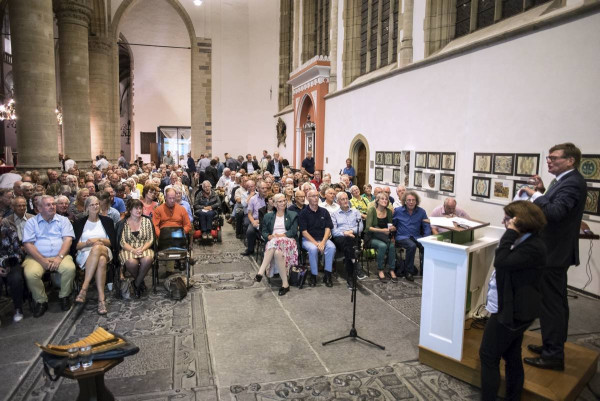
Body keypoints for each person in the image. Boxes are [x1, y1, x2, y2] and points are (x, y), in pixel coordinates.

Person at [518, 143, 586, 371]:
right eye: (548, 158)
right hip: (554, 252)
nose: (549, 161)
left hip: (554, 254)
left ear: (570, 160)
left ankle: (553, 355)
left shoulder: (573, 183)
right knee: (554, 303)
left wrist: (536, 194)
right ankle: (552, 344)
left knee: (552, 305)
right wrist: (543, 189)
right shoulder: (565, 181)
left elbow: (556, 213)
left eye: (554, 158)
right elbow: (556, 204)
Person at [479, 201, 547, 401]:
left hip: (513, 312)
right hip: (515, 308)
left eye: (508, 220)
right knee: (511, 354)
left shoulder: (533, 246)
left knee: (488, 356)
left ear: (521, 222)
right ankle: (513, 396)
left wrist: (509, 232)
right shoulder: (527, 241)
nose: (504, 222)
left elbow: (501, 262)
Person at [22, 195, 76, 317]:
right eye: (48, 205)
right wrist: (42, 261)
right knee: (31, 274)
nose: (52, 206)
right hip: (36, 258)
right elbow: (28, 244)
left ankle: (64, 296)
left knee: (70, 269)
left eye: (53, 204)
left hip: (60, 255)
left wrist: (59, 257)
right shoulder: (31, 222)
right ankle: (41, 300)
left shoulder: (63, 220)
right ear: (39, 209)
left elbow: (68, 240)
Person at [71, 196, 117, 315]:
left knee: (98, 249)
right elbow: (75, 246)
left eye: (97, 204)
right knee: (101, 261)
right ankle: (101, 300)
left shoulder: (107, 221)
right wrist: (87, 243)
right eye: (92, 205)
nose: (95, 206)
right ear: (86, 207)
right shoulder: (79, 223)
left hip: (105, 250)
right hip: (85, 253)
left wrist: (99, 240)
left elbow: (112, 242)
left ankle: (84, 288)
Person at [255, 194, 298, 295]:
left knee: (274, 242)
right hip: (274, 242)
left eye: (284, 201)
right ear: (274, 204)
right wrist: (269, 236)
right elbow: (264, 231)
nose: (283, 203)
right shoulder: (268, 216)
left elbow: (293, 231)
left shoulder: (292, 214)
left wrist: (282, 235)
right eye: (280, 201)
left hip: (288, 241)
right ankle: (285, 284)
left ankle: (260, 272)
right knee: (277, 252)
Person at [116, 199, 155, 298]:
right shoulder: (122, 223)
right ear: (129, 210)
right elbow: (122, 242)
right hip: (128, 249)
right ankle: (140, 282)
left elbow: (151, 239)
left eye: (140, 208)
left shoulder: (147, 221)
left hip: (144, 247)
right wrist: (133, 250)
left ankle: (136, 284)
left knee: (148, 259)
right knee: (131, 262)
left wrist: (142, 249)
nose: (139, 210)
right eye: (136, 208)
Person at [299, 189, 336, 287]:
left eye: (317, 196)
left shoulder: (324, 211)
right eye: (313, 196)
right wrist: (316, 244)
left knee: (331, 247)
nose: (316, 198)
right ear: (307, 198)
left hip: (323, 239)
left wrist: (323, 242)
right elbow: (304, 232)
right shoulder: (303, 213)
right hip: (308, 240)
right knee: (313, 249)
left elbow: (328, 228)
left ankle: (327, 274)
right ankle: (313, 275)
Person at [392, 191, 431, 281]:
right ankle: (408, 271)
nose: (411, 202)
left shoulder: (421, 212)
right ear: (405, 201)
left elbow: (426, 226)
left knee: (426, 246)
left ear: (416, 201)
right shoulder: (398, 211)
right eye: (409, 200)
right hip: (402, 236)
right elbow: (393, 224)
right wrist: (392, 236)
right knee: (411, 246)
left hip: (416, 236)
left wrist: (427, 237)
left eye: (413, 200)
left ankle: (425, 270)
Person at [331, 191, 365, 288]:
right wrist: (345, 233)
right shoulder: (334, 214)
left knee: (349, 248)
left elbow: (361, 227)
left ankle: (350, 278)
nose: (345, 201)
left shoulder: (355, 212)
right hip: (340, 239)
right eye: (342, 199)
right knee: (348, 243)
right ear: (338, 202)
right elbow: (334, 232)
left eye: (346, 199)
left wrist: (350, 232)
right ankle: (356, 268)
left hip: (354, 237)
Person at [365, 192, 397, 281]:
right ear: (377, 200)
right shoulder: (372, 210)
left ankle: (391, 269)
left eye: (386, 199)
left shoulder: (389, 212)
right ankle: (380, 269)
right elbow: (368, 228)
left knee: (391, 246)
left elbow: (390, 226)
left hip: (384, 236)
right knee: (382, 246)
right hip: (372, 237)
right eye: (382, 199)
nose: (385, 201)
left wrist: (392, 229)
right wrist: (382, 231)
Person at [0, 214, 26, 322]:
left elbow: (17, 250)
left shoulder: (9, 229)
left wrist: (7, 264)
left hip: (11, 261)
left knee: (16, 279)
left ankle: (18, 309)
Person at [241, 181, 267, 256]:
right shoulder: (253, 199)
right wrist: (253, 222)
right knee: (250, 231)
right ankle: (250, 249)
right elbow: (249, 214)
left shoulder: (269, 198)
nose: (265, 189)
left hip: (267, 221)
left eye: (266, 188)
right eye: (263, 188)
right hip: (255, 220)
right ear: (258, 189)